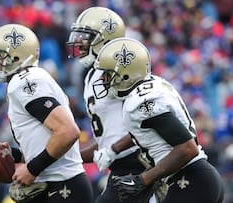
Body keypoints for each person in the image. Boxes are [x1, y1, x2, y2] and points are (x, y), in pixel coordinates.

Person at [92, 37, 225, 203]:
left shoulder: (141, 102)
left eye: (107, 73)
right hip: (196, 180)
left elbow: (187, 148)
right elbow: (148, 131)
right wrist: (114, 150)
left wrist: (144, 179)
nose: (102, 79)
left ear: (125, 73)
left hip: (190, 180)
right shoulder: (152, 87)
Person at [0, 23, 92, 203]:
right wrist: (17, 155)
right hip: (61, 186)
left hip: (62, 187)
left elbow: (67, 132)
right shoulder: (30, 78)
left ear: (14, 56)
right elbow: (51, 140)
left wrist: (32, 169)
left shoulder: (24, 82)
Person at [66, 7, 154, 203]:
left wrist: (114, 149)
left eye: (86, 37)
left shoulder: (122, 69)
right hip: (120, 166)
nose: (79, 42)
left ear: (104, 38)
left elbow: (148, 120)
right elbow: (109, 136)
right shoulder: (92, 75)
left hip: (140, 163)